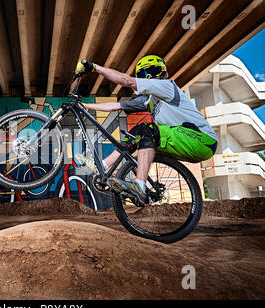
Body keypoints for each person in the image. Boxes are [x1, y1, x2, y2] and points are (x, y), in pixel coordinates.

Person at [75, 56, 218, 206]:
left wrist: (94, 67)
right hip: (183, 141)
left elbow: (127, 81)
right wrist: (86, 106)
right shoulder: (148, 101)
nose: (145, 79)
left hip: (202, 141)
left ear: (153, 74)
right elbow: (116, 106)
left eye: (144, 75)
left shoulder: (167, 85)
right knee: (135, 132)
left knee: (146, 129)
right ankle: (103, 165)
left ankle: (140, 186)